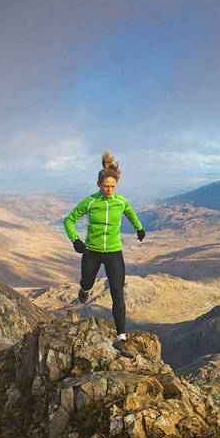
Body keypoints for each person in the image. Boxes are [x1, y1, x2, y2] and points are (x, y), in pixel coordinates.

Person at [63, 151, 145, 356]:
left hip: (114, 252)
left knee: (118, 293)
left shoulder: (121, 202)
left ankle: (121, 337)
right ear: (98, 184)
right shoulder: (90, 202)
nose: (109, 190)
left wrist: (139, 228)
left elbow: (130, 213)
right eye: (106, 186)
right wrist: (75, 240)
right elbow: (69, 220)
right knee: (87, 282)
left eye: (112, 187)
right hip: (92, 251)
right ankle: (84, 289)